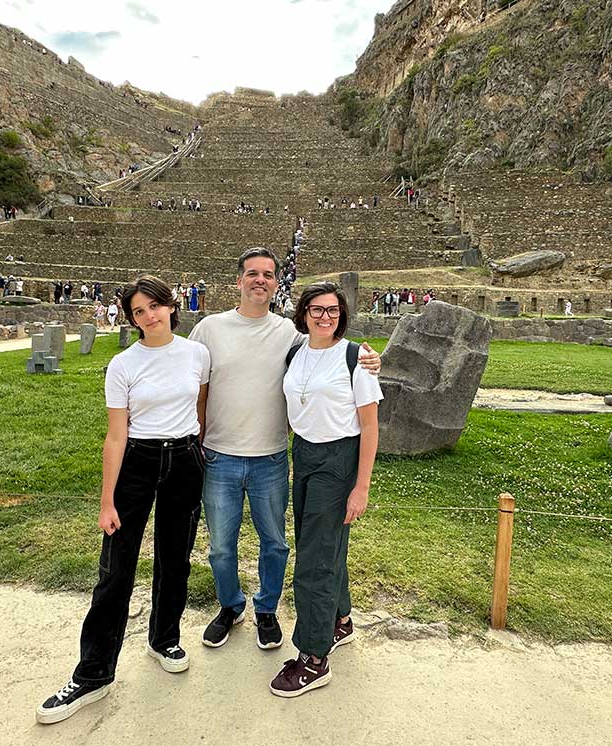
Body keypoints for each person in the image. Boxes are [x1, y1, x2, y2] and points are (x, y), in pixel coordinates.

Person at [36, 275, 210, 725]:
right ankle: (93, 672)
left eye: (155, 306)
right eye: (139, 311)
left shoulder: (196, 353)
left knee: (175, 560)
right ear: (132, 319)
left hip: (186, 458)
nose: (150, 316)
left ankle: (164, 638)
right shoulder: (124, 364)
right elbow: (115, 437)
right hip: (137, 460)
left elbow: (200, 410)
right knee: (115, 571)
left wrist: (197, 453)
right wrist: (106, 501)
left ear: (171, 306)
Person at [188, 248, 379, 652]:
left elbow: (328, 346)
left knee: (274, 542)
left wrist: (370, 357)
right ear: (238, 280)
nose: (261, 280)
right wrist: (196, 440)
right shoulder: (208, 329)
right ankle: (230, 605)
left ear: (277, 283)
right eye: (252, 273)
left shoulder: (290, 336)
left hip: (272, 457)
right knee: (221, 546)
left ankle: (266, 610)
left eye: (269, 274)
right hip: (220, 454)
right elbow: (195, 388)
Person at [269, 282, 382, 697]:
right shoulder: (297, 352)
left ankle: (314, 658)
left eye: (333, 311)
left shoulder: (356, 358)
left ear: (342, 316)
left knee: (314, 559)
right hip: (306, 454)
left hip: (338, 458)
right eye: (317, 310)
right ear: (303, 313)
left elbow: (369, 427)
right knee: (323, 544)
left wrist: (361, 487)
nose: (325, 318)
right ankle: (340, 621)